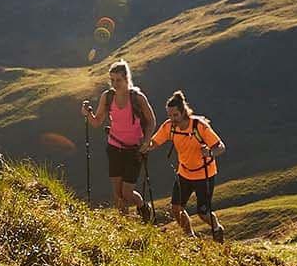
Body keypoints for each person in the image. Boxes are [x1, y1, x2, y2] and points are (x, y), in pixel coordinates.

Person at [140, 90, 226, 241]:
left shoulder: (199, 126)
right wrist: (145, 147)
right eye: (170, 115)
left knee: (203, 213)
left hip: (204, 174)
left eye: (175, 115)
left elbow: (220, 147)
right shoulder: (169, 127)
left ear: (183, 112)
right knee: (176, 208)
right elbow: (155, 142)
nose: (172, 119)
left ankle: (217, 228)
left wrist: (210, 153)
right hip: (184, 173)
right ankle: (190, 237)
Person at [80, 59, 156, 220]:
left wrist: (146, 141)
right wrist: (87, 114)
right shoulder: (107, 97)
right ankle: (124, 226)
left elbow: (151, 121)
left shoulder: (137, 98)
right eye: (112, 80)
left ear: (127, 78)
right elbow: (97, 122)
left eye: (118, 80)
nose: (115, 84)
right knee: (117, 193)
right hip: (114, 147)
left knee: (127, 193)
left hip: (134, 150)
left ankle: (142, 206)